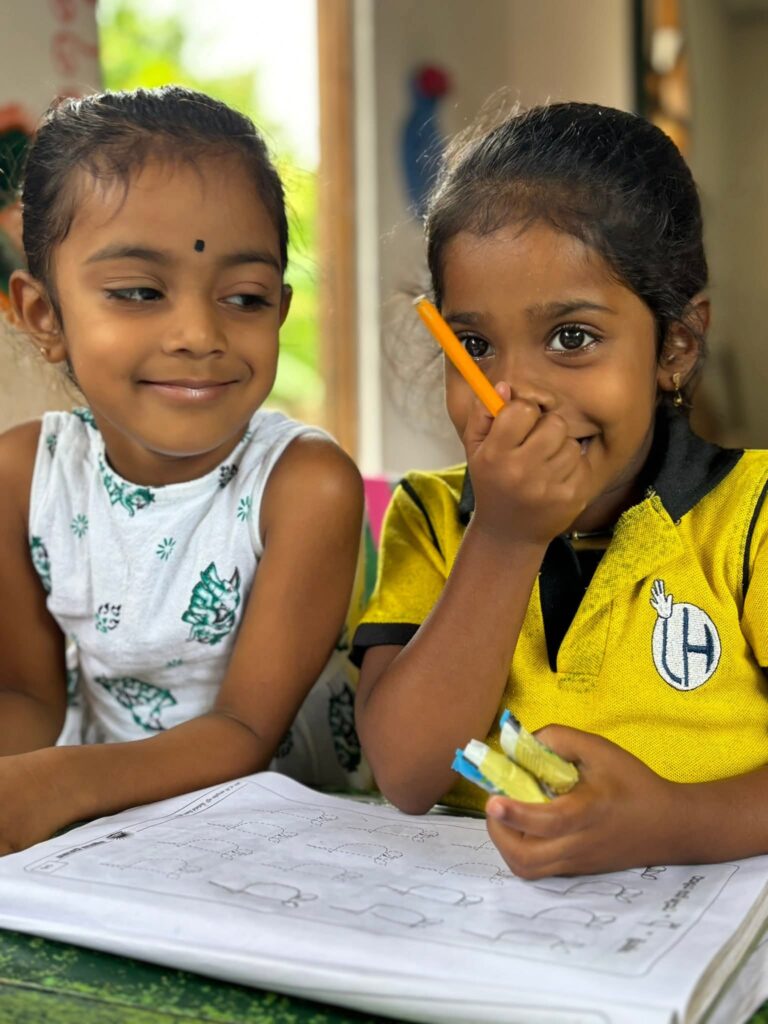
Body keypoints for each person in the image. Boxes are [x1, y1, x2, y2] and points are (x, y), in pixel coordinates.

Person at [353, 102, 768, 879]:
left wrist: (671, 824)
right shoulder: (430, 518)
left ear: (675, 347)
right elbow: (406, 775)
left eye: (571, 338)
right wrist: (504, 538)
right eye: (474, 345)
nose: (514, 395)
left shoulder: (753, 518)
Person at [0, 86, 366, 856]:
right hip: (111, 838)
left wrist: (54, 784)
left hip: (292, 839)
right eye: (139, 292)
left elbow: (244, 731)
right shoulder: (21, 477)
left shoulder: (304, 486)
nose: (199, 333)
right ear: (43, 315)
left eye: (245, 298)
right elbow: (29, 700)